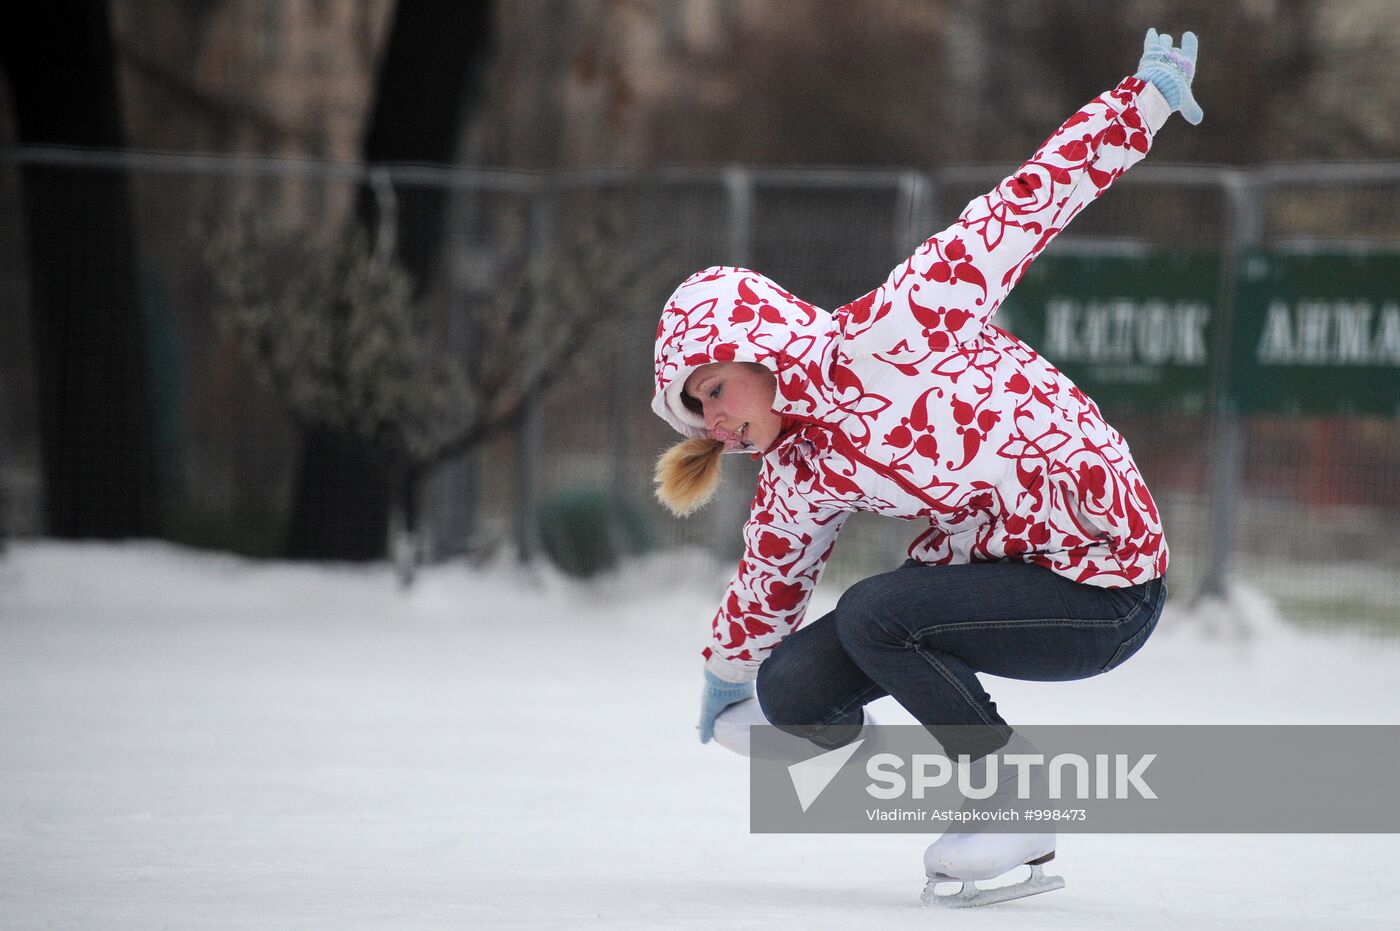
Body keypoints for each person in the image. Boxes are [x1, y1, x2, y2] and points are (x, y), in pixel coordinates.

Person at [650, 29, 1200, 906]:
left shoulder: (896, 331)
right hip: (1000, 574)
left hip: (1104, 578)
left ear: (755, 347)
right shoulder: (799, 471)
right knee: (790, 687)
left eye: (715, 388)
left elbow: (1020, 209)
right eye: (697, 412)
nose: (715, 419)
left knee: (878, 609)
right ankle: (948, 776)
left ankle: (1010, 796)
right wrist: (723, 684)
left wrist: (1141, 105)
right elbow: (769, 575)